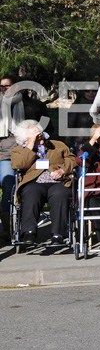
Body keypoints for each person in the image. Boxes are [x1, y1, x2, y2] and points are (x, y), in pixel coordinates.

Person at [11, 119, 76, 247]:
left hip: (57, 181)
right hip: (33, 182)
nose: (39, 135)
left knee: (60, 194)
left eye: (39, 131)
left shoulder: (57, 145)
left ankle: (58, 234)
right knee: (31, 193)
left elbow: (72, 159)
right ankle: (29, 232)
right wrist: (30, 144)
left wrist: (63, 170)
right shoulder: (18, 150)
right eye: (34, 133)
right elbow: (19, 164)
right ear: (25, 138)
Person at [0, 75, 25, 243]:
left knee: (8, 189)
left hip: (9, 151)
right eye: (1, 87)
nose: (4, 90)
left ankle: (8, 229)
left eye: (7, 86)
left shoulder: (21, 103)